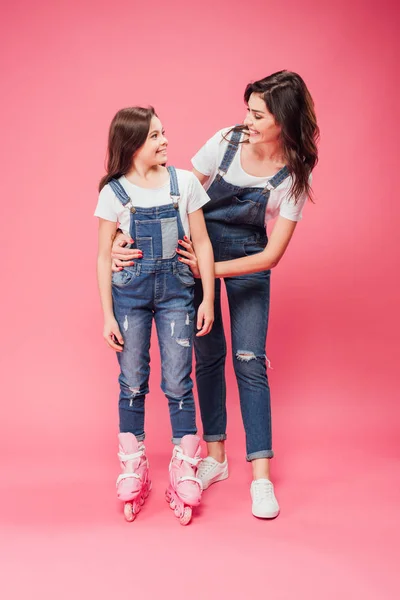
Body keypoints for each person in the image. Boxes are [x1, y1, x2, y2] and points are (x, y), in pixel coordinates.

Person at [111, 71, 319, 519]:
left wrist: (210, 269)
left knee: (249, 359)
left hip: (246, 257)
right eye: (248, 109)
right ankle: (215, 458)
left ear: (283, 119)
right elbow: (174, 195)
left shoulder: (295, 170)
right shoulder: (226, 140)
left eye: (258, 113)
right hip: (196, 247)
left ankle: (261, 478)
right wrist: (121, 240)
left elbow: (272, 255)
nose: (247, 119)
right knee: (206, 355)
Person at [95, 106, 214, 524]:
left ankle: (185, 466)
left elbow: (202, 243)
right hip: (128, 299)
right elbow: (101, 257)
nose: (165, 141)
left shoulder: (183, 184)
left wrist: (208, 299)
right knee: (131, 380)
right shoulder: (114, 192)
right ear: (132, 146)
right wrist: (107, 315)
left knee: (179, 380)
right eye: (154, 136)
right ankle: (133, 465)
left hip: (177, 296)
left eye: (164, 133)